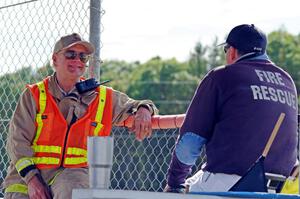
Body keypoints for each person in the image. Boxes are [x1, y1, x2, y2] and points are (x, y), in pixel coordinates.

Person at [2, 33, 158, 199]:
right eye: (70, 54)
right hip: (27, 177)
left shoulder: (102, 97)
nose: (77, 60)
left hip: (72, 175)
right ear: (55, 60)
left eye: (83, 57)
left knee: (72, 190)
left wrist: (144, 110)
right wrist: (32, 180)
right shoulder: (34, 95)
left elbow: (140, 104)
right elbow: (17, 142)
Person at [165, 24, 298, 193]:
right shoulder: (287, 81)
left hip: (233, 181)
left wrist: (175, 182)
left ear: (233, 51)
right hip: (282, 187)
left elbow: (190, 141)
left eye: (226, 49)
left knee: (178, 191)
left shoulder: (222, 76)